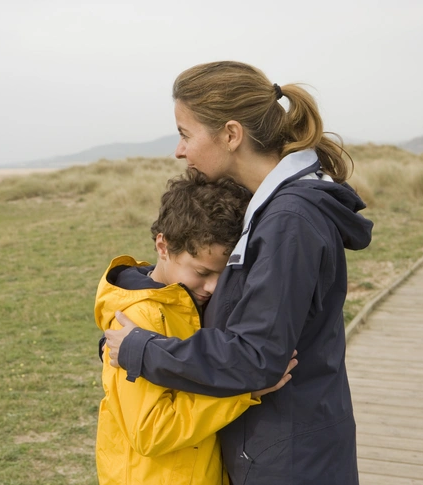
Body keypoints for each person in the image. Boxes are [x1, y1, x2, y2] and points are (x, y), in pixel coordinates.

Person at [103, 61, 373, 485]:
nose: (179, 151)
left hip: (290, 463)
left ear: (230, 135)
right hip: (282, 447)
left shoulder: (289, 220)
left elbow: (257, 357)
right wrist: (129, 333)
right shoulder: (271, 210)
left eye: (185, 134)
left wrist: (141, 350)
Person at [95, 168, 295, 485]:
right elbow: (150, 432)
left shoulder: (193, 302)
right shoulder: (138, 318)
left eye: (224, 275)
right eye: (202, 272)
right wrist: (242, 391)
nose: (213, 287)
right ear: (163, 246)